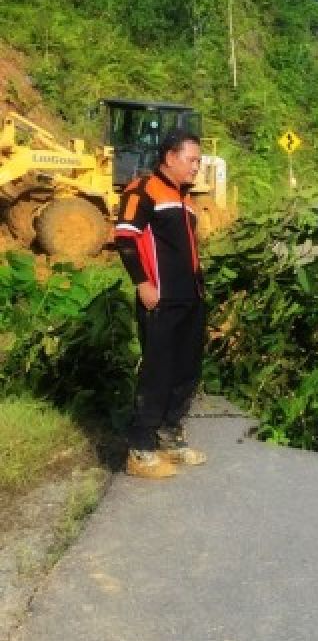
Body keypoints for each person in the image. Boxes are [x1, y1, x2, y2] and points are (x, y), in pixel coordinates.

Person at [114, 128, 209, 478]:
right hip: (161, 299)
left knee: (186, 368)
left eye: (198, 160)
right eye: (192, 159)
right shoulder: (143, 190)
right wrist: (142, 282)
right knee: (158, 370)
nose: (197, 166)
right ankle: (140, 449)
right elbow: (125, 239)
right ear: (170, 157)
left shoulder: (184, 198)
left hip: (191, 299)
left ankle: (170, 434)